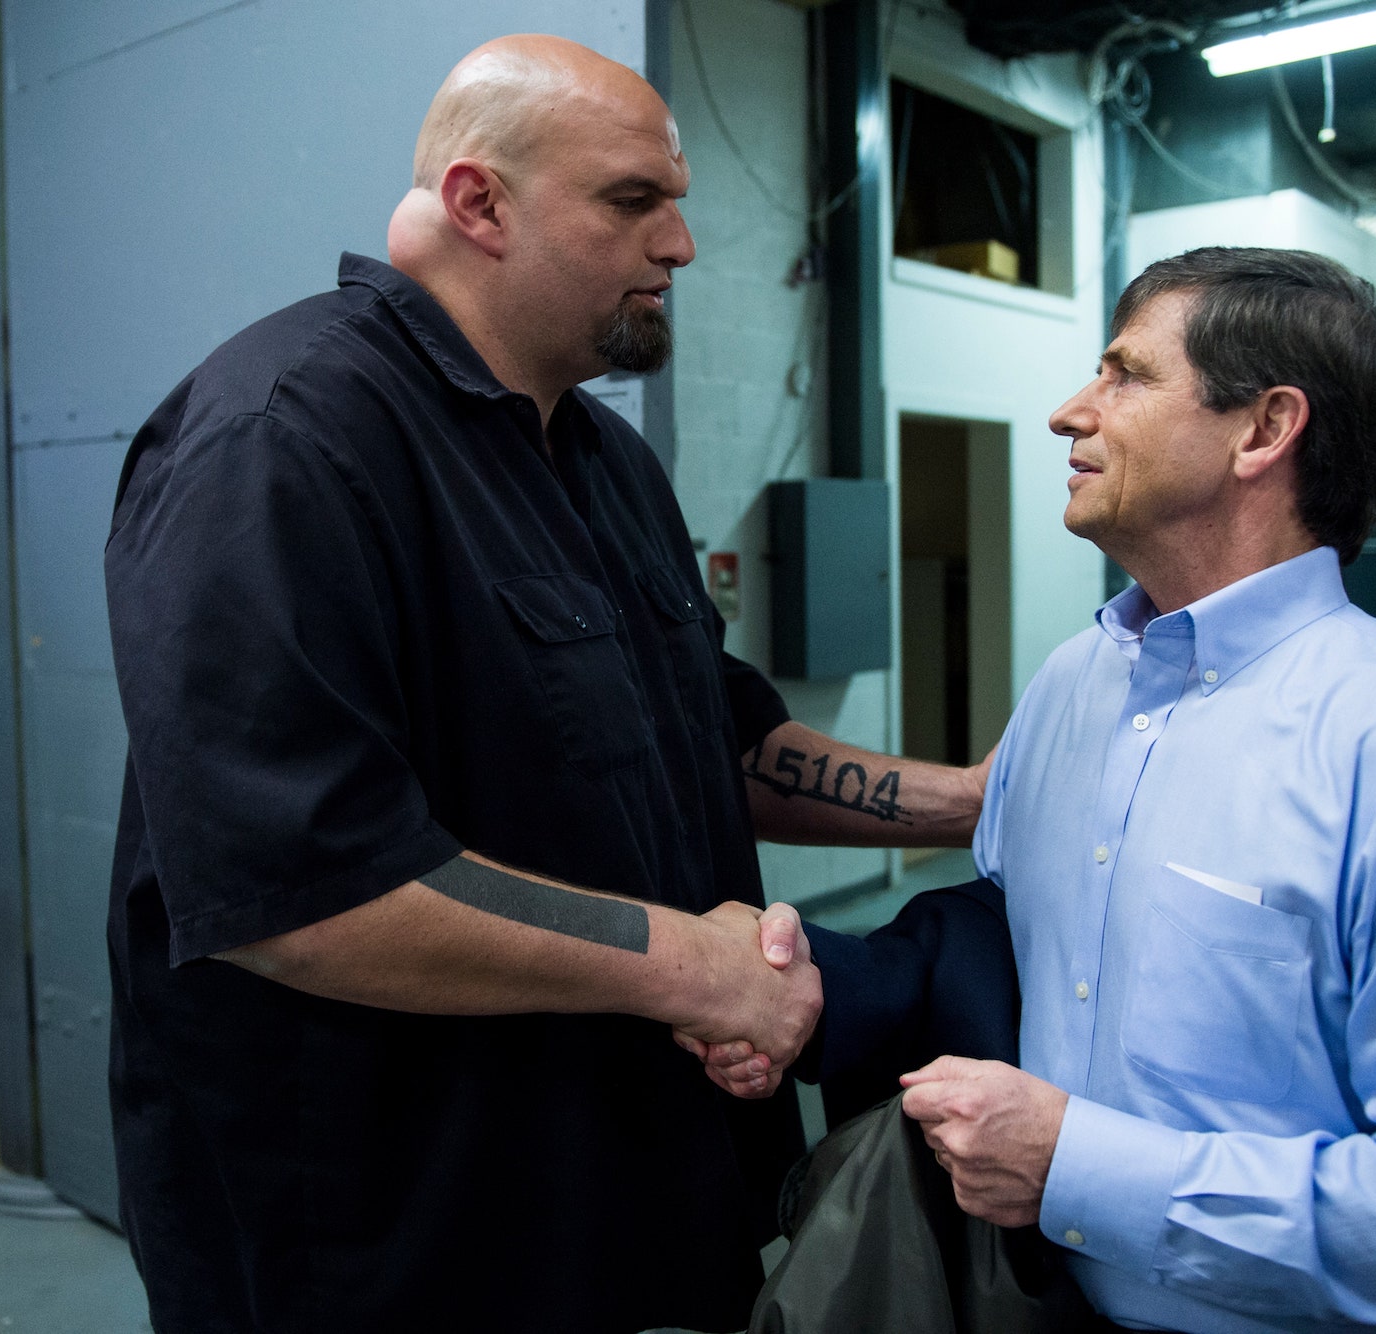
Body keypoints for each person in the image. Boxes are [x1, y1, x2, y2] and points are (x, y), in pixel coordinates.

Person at [103, 35, 987, 1334]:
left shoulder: (608, 461)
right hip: (397, 1231)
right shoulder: (283, 435)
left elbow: (715, 736)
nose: (679, 243)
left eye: (678, 203)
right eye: (634, 201)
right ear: (479, 205)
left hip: (617, 1184)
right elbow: (297, 890)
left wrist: (976, 798)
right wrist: (696, 966)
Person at [708, 248, 1376, 1331]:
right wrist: (823, 988)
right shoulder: (1072, 682)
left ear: (1262, 430)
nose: (1067, 411)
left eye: (1124, 376)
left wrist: (1081, 1170)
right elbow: (1004, 944)